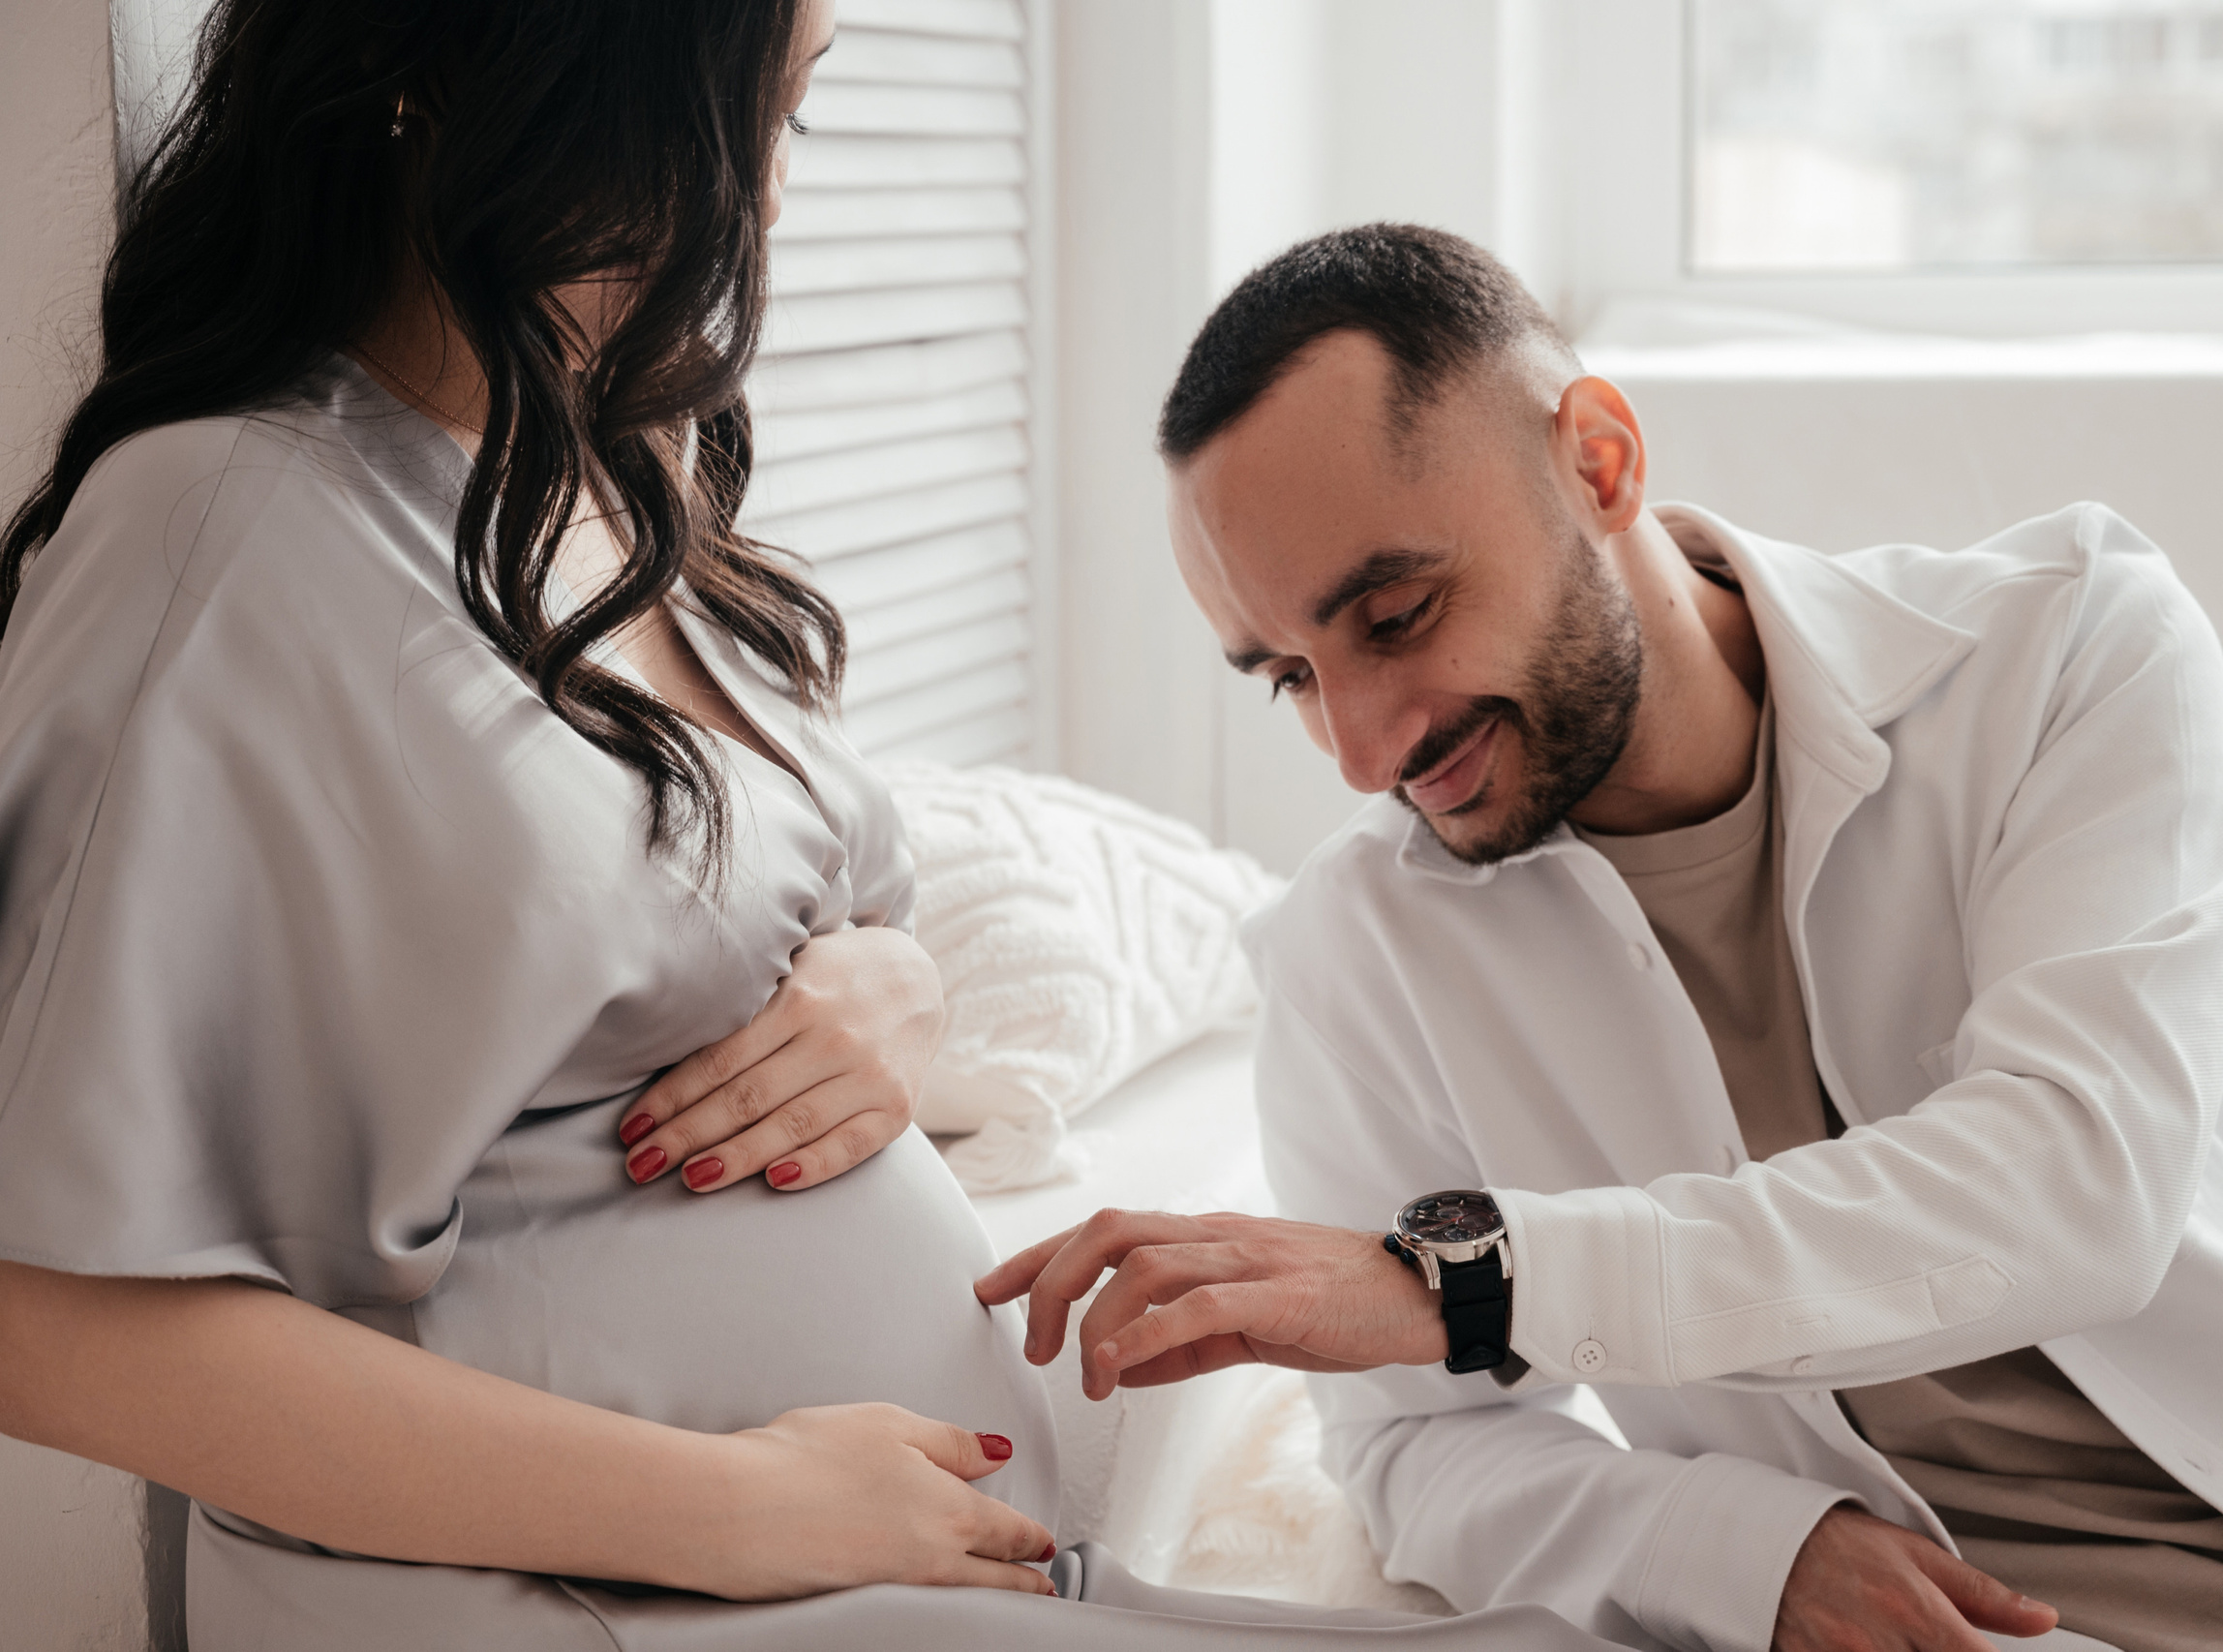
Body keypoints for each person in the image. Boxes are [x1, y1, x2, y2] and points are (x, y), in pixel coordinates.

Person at [0, 15, 1623, 1650]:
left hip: (854, 1568)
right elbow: (44, 1320)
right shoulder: (216, 531)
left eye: (794, 104)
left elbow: (655, 921)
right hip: (583, 1593)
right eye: (751, 103)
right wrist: (736, 1506)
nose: (770, 184)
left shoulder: (609, 475)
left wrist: (893, 988)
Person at [981, 225, 2223, 1652]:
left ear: (1598, 461)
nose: (1364, 751)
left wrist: (1472, 1279)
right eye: (1291, 677)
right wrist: (1741, 1552)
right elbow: (1410, 1449)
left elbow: (2076, 1178)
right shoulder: (1353, 949)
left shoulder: (2064, 649)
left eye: (1396, 614)